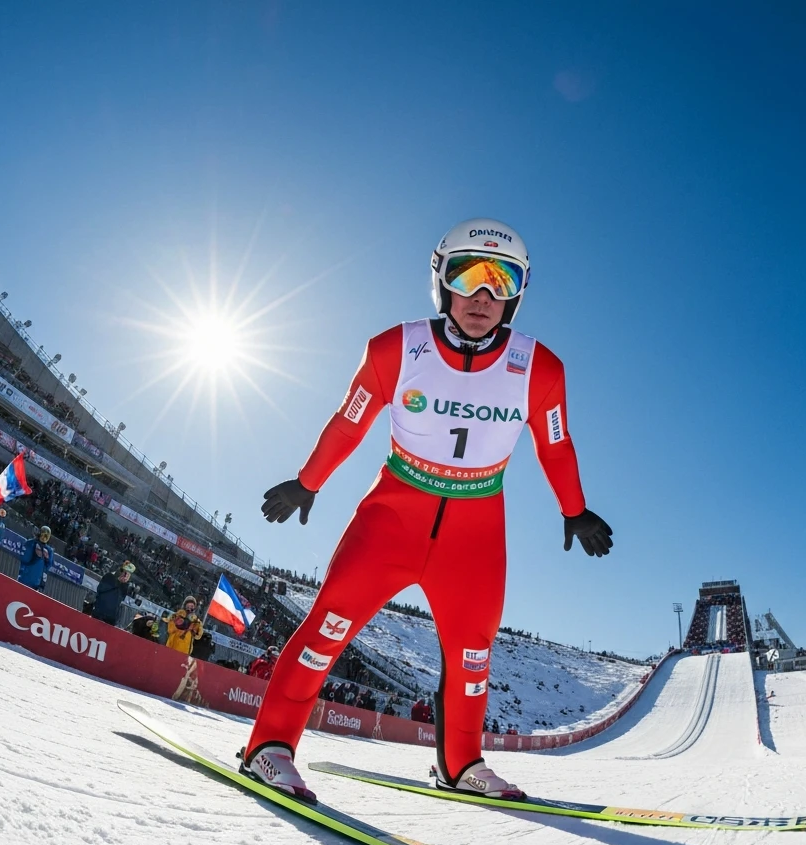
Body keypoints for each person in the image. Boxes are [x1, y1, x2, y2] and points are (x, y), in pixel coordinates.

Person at [241, 219, 613, 802]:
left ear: (517, 293)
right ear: (441, 281)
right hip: (394, 514)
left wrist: (576, 509)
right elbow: (350, 419)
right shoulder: (397, 347)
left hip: (476, 530)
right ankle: (269, 748)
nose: (483, 296)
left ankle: (461, 764)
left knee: (473, 654)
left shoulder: (540, 367)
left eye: (501, 279)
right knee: (327, 629)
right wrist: (307, 482)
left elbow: (556, 442)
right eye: (468, 277)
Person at [18, 525, 53, 591]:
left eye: (46, 536)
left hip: (36, 584)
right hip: (24, 579)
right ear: (40, 533)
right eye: (43, 534)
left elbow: (47, 567)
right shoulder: (31, 543)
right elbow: (24, 559)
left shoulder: (49, 551)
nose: (44, 538)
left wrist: (41, 585)